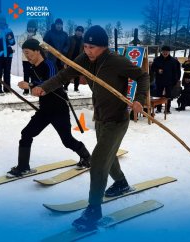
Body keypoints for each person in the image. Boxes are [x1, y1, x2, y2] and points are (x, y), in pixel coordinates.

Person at [32, 25, 149, 231]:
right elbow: (63, 75)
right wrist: (44, 87)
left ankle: (93, 211)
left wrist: (139, 99)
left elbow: (142, 76)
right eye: (85, 46)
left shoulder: (116, 62)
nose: (87, 50)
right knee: (108, 155)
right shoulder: (85, 60)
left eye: (92, 47)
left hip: (117, 120)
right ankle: (121, 183)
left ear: (103, 47)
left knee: (98, 161)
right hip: (101, 119)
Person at [6, 39, 90, 178]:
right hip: (45, 110)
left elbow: (50, 84)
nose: (27, 57)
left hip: (59, 109)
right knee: (26, 133)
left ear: (37, 51)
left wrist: (31, 86)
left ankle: (87, 157)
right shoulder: (33, 68)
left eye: (28, 53)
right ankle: (23, 167)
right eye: (24, 54)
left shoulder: (49, 65)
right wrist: (33, 88)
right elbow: (37, 91)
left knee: (67, 140)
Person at [151, 45, 179, 114]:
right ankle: (158, 108)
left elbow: (178, 72)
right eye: (164, 51)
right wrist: (158, 70)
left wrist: (176, 80)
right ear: (161, 52)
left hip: (169, 81)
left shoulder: (174, 61)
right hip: (159, 80)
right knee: (159, 95)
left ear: (169, 52)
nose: (165, 53)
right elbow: (152, 68)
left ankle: (167, 109)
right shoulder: (157, 59)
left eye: (167, 51)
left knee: (168, 95)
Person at [18, 20, 43, 95]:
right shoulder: (23, 35)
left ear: (35, 28)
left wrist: (33, 41)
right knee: (26, 74)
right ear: (27, 27)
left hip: (35, 60)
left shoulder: (38, 36)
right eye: (29, 27)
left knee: (34, 74)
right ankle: (26, 90)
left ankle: (33, 89)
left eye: (32, 27)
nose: (31, 29)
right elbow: (20, 44)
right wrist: (27, 40)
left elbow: (40, 44)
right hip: (25, 59)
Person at [0, 14, 15, 95]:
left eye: (3, 20)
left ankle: (7, 89)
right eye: (0, 20)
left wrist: (10, 38)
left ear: (5, 21)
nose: (2, 21)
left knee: (7, 72)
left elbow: (13, 42)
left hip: (8, 55)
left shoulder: (9, 30)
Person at [64, 26, 84, 92]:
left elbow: (84, 50)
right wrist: (65, 59)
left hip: (79, 60)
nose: (79, 32)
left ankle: (76, 88)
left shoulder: (83, 40)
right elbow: (67, 48)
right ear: (75, 31)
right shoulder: (70, 38)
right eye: (78, 31)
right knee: (68, 73)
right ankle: (65, 87)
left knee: (77, 74)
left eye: (81, 31)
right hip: (70, 58)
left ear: (82, 33)